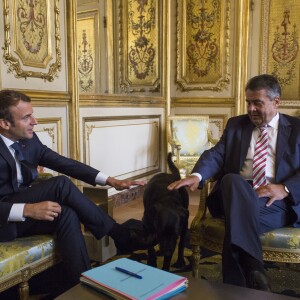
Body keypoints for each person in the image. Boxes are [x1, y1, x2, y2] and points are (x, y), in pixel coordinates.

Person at [0, 89, 153, 295]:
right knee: (60, 184)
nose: (34, 121)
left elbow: (64, 163)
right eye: (27, 117)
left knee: (67, 213)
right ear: (5, 123)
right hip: (4, 218)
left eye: (32, 114)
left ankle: (80, 287)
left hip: (17, 211)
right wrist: (26, 209)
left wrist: (110, 180)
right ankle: (118, 234)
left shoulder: (28, 139)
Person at [168, 74, 300, 291]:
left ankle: (235, 289)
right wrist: (197, 175)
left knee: (236, 219)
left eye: (257, 103)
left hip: (274, 202)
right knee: (232, 180)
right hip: (235, 192)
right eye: (248, 102)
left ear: (276, 102)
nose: (250, 109)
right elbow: (217, 154)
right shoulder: (236, 124)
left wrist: (284, 188)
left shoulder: (297, 128)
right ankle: (255, 269)